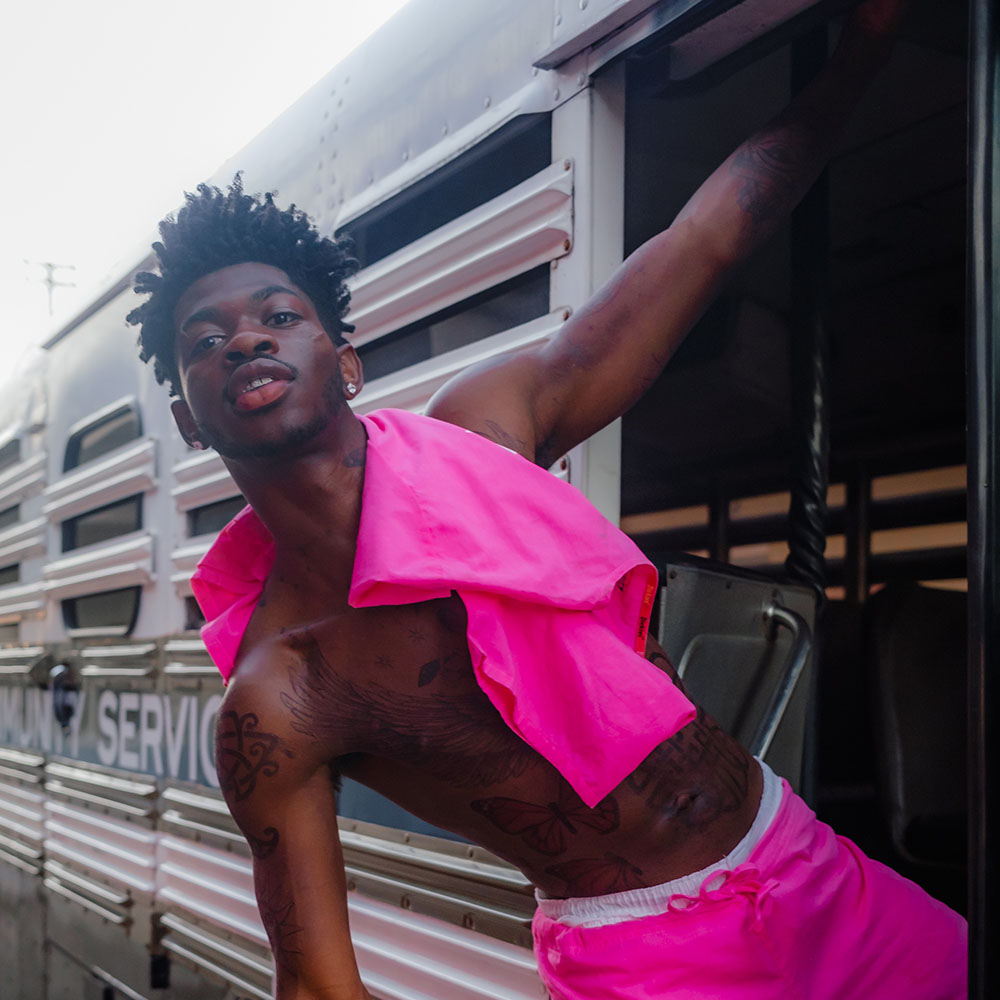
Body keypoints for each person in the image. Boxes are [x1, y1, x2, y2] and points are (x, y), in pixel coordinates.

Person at [128, 1, 966, 996]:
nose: (246, 340)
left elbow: (699, 245)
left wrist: (863, 48)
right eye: (204, 341)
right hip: (644, 958)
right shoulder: (276, 697)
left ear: (345, 361)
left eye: (278, 315)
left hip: (809, 867)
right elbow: (316, 982)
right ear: (189, 420)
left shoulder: (484, 429)